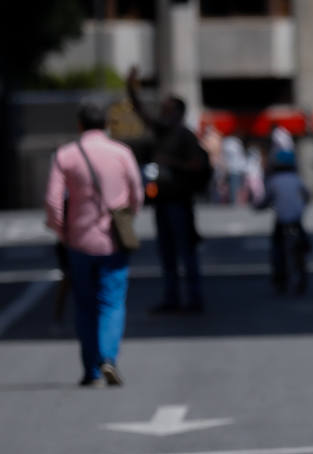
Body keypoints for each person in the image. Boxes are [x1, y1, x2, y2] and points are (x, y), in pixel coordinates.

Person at [44, 102, 143, 386]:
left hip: (78, 240)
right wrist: (128, 219)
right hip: (114, 237)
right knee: (112, 301)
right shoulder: (122, 153)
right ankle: (108, 357)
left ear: (80, 125)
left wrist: (63, 232)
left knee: (85, 305)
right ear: (106, 126)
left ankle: (92, 370)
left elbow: (52, 201)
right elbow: (136, 193)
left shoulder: (66, 155)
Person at [125, 66, 211, 314]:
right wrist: (131, 88)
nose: (162, 112)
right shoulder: (162, 132)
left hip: (179, 202)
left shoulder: (184, 136)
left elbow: (198, 164)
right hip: (162, 200)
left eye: (167, 108)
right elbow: (141, 112)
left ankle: (194, 298)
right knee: (167, 253)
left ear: (178, 113)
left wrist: (171, 163)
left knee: (185, 251)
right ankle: (172, 297)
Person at [256, 149, 311, 295]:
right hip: (296, 219)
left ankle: (279, 278)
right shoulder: (296, 179)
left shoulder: (273, 181)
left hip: (281, 220)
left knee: (277, 248)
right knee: (301, 245)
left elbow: (265, 201)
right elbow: (306, 195)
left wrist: (257, 206)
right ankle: (302, 272)